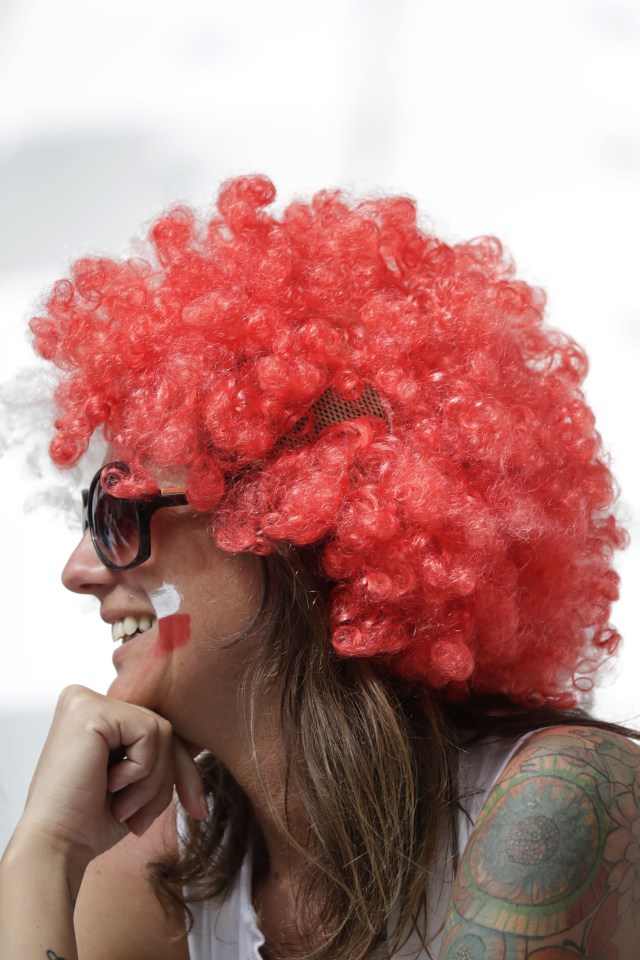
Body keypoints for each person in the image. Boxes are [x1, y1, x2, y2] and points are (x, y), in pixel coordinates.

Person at [0, 174, 638, 960]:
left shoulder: (556, 799)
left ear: (289, 521)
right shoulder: (159, 858)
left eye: (121, 509)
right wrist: (42, 855)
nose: (79, 570)